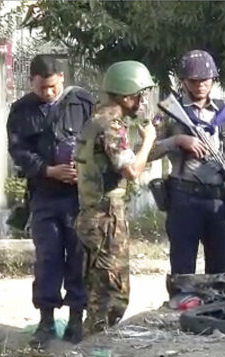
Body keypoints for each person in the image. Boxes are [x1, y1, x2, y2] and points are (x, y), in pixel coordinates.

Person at [7, 55, 93, 346]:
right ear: (31, 81)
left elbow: (98, 142)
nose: (49, 93)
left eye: (53, 87)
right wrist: (48, 170)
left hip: (77, 198)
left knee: (79, 258)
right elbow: (19, 152)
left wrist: (86, 172)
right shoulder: (21, 111)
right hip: (44, 196)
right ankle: (45, 322)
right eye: (43, 87)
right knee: (48, 259)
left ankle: (76, 319)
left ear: (62, 80)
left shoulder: (81, 103)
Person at [149, 50, 225, 277]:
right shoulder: (169, 112)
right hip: (184, 198)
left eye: (205, 81)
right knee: (182, 271)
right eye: (194, 81)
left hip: (219, 199)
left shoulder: (224, 112)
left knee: (221, 273)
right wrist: (177, 140)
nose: (200, 86)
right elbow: (148, 152)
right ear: (184, 82)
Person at [74, 60, 157, 336]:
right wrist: (148, 141)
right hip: (105, 218)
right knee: (111, 295)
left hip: (94, 215)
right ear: (126, 94)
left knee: (99, 289)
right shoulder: (112, 126)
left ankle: (93, 345)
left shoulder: (95, 121)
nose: (142, 101)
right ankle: (93, 349)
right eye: (139, 95)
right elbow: (132, 170)